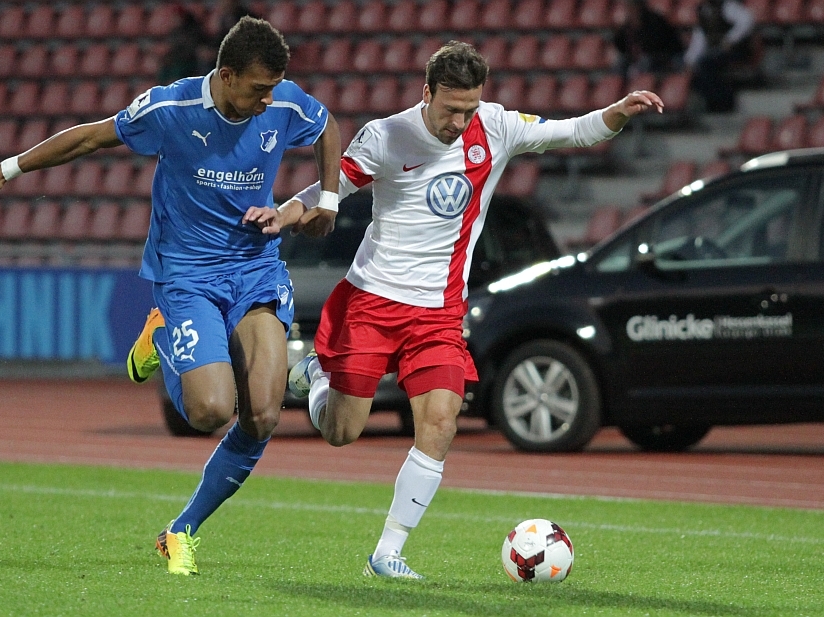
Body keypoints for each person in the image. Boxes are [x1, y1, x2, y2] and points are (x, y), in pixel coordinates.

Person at [252, 41, 662, 579]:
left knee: (441, 420)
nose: (458, 121)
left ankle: (388, 553)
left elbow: (574, 131)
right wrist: (282, 215)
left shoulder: (496, 126)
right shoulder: (386, 135)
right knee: (341, 431)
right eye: (449, 109)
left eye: (468, 109)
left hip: (438, 311)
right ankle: (318, 377)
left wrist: (617, 112)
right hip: (372, 301)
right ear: (426, 93)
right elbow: (327, 189)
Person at [0, 16, 341, 576]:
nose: (268, 101)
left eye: (273, 89)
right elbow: (90, 136)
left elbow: (326, 127)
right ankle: (161, 334)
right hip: (187, 275)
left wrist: (327, 201)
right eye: (258, 89)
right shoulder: (171, 109)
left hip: (254, 268)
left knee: (261, 415)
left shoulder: (282, 102)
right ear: (227, 75)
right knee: (210, 411)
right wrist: (6, 170)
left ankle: (181, 530)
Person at [684, 0, 756, 112]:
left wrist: (731, 39)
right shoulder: (702, 10)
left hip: (736, 51)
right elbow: (699, 39)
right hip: (715, 53)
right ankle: (713, 102)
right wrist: (690, 60)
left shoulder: (728, 6)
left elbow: (746, 21)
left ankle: (725, 102)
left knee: (707, 64)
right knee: (697, 68)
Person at [613, 0, 684, 78]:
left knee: (645, 61)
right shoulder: (628, 25)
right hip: (638, 58)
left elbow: (657, 45)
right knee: (620, 63)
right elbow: (620, 43)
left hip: (663, 56)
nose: (629, 10)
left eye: (632, 7)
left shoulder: (654, 21)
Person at [157, 7, 209, 85]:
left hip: (188, 61)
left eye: (175, 17)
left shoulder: (192, 31)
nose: (173, 19)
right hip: (175, 60)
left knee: (178, 70)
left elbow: (192, 49)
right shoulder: (174, 32)